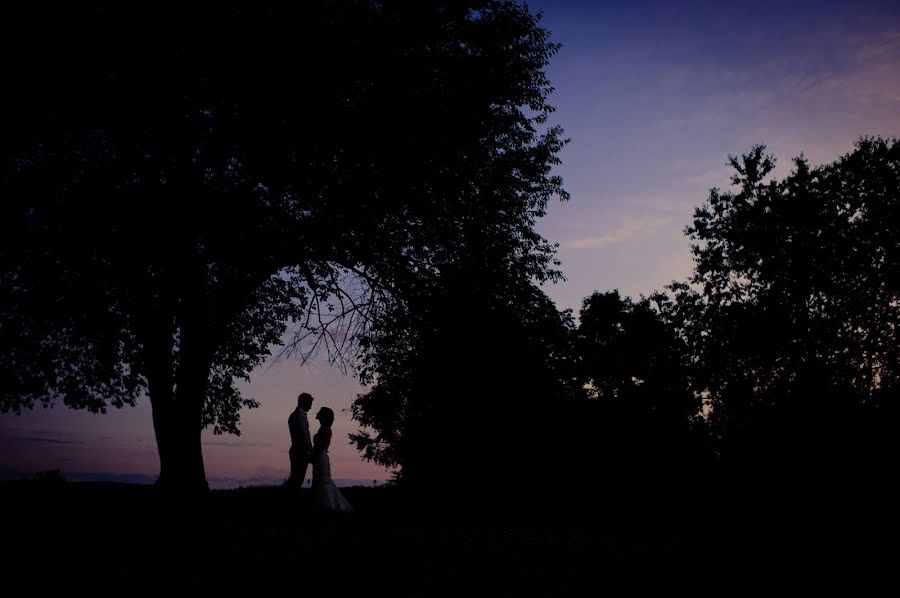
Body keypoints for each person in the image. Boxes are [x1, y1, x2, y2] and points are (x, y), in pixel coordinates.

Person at [311, 407, 354, 512]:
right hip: (321, 456)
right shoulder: (324, 429)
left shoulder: (325, 429)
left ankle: (328, 505)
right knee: (321, 479)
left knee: (323, 480)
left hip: (321, 456)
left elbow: (320, 446)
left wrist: (312, 455)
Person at [287, 392, 314, 490]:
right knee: (297, 480)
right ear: (304, 402)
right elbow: (304, 435)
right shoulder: (299, 415)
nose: (311, 407)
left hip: (296, 450)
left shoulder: (293, 415)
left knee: (295, 479)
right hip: (300, 451)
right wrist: (311, 451)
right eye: (310, 403)